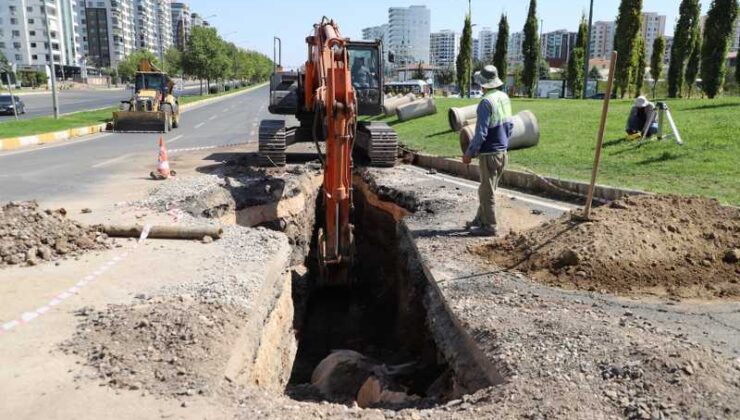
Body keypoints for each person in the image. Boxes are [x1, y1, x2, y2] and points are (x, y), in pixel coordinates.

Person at [462, 65, 513, 237]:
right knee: (486, 189)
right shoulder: (504, 97)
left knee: (487, 192)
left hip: (489, 155)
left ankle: (490, 226)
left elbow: (481, 133)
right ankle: (479, 220)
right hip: (502, 153)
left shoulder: (485, 102)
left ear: (483, 84)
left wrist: (469, 152)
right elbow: (510, 125)